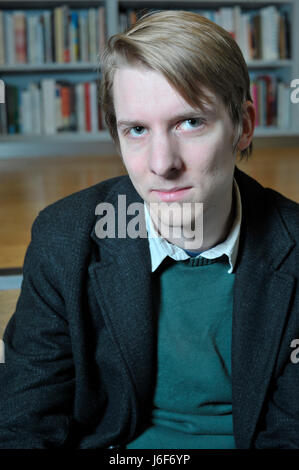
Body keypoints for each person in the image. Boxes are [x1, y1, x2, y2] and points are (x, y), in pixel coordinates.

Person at [0, 10, 298, 449]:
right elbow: (25, 424)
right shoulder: (63, 239)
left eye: (190, 122)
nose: (162, 164)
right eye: (136, 130)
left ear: (244, 126)